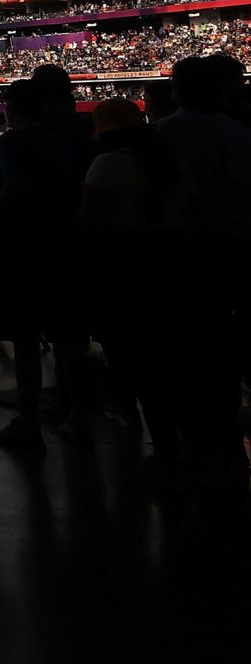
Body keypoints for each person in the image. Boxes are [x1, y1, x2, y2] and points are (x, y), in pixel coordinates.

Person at [151, 56, 251, 488]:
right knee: (223, 353)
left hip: (177, 256)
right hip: (231, 252)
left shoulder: (159, 136)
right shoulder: (239, 134)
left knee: (179, 354)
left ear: (176, 90)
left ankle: (185, 452)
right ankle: (225, 445)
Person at [78, 97, 189, 471]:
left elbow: (88, 221)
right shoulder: (166, 160)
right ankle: (176, 445)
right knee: (165, 359)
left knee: (130, 356)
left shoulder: (108, 163)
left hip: (121, 267)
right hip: (165, 264)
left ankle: (149, 436)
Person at [0, 78, 87, 455]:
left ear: (13, 108)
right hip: (66, 246)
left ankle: (29, 423)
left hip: (26, 250)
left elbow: (14, 189)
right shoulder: (68, 138)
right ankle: (77, 416)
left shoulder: (17, 140)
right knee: (69, 339)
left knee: (26, 341)